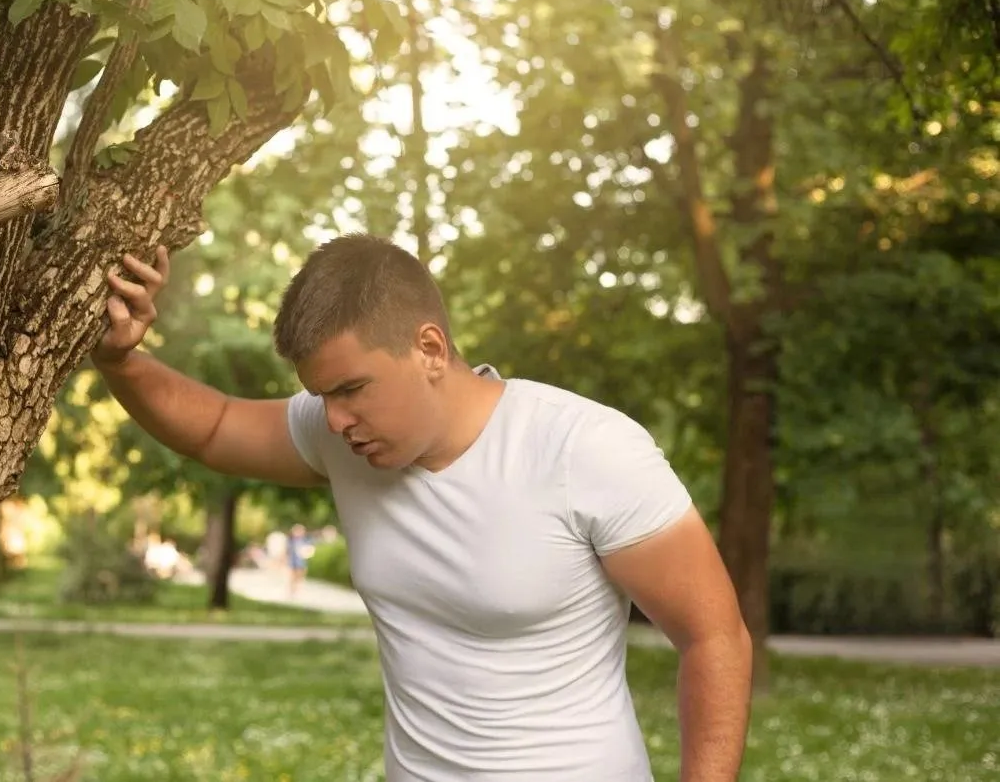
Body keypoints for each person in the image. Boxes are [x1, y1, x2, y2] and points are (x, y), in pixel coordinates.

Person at [93, 233, 753, 781]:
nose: (336, 417)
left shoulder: (584, 447)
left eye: (352, 388)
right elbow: (213, 426)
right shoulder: (343, 436)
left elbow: (715, 636)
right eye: (322, 395)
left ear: (430, 349)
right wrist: (120, 358)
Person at [287, 523, 315, 597]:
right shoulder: (291, 541)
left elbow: (310, 550)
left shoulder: (306, 541)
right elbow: (288, 551)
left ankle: (298, 590)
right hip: (293, 561)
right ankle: (292, 591)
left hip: (302, 562)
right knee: (293, 577)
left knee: (300, 577)